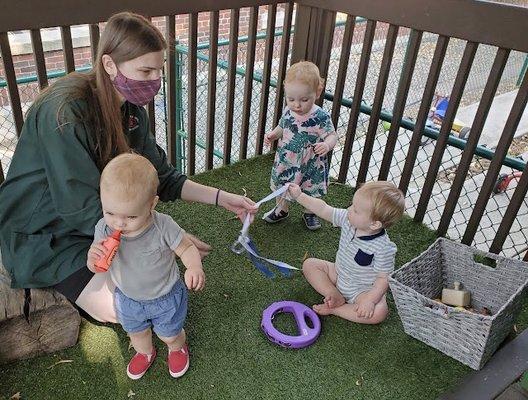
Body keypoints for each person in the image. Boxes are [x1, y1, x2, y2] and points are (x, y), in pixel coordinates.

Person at [0, 12, 256, 323]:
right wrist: (165, 237)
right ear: (109, 65)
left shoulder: (131, 111)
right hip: (44, 232)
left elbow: (161, 177)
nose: (154, 82)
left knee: (154, 293)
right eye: (145, 71)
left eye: (157, 72)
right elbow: (81, 207)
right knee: (125, 311)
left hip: (104, 219)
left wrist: (222, 198)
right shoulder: (65, 112)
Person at [88, 153, 203, 379]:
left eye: (130, 216)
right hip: (128, 298)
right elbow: (96, 266)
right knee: (136, 333)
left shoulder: (163, 227)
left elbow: (187, 248)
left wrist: (194, 267)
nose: (118, 223)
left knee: (169, 333)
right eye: (110, 212)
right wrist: (93, 259)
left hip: (165, 297)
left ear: (152, 204)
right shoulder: (103, 228)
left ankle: (176, 347)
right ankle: (145, 352)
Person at [287, 181, 405, 324]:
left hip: (361, 290)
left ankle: (335, 309)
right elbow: (324, 209)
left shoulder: (383, 248)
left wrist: (369, 300)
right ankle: (333, 293)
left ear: (374, 224)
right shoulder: (348, 220)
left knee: (379, 312)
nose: (349, 209)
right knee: (309, 265)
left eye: (356, 210)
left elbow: (383, 279)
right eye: (352, 205)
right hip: (338, 273)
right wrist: (300, 196)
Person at [263, 61, 337, 231]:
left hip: (310, 164)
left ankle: (309, 212)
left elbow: (332, 135)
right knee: (282, 185)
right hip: (287, 160)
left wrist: (326, 145)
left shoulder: (320, 116)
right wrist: (274, 135)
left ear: (317, 92)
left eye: (304, 100)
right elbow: (283, 127)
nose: (297, 105)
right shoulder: (289, 111)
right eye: (291, 99)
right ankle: (282, 209)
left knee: (310, 189)